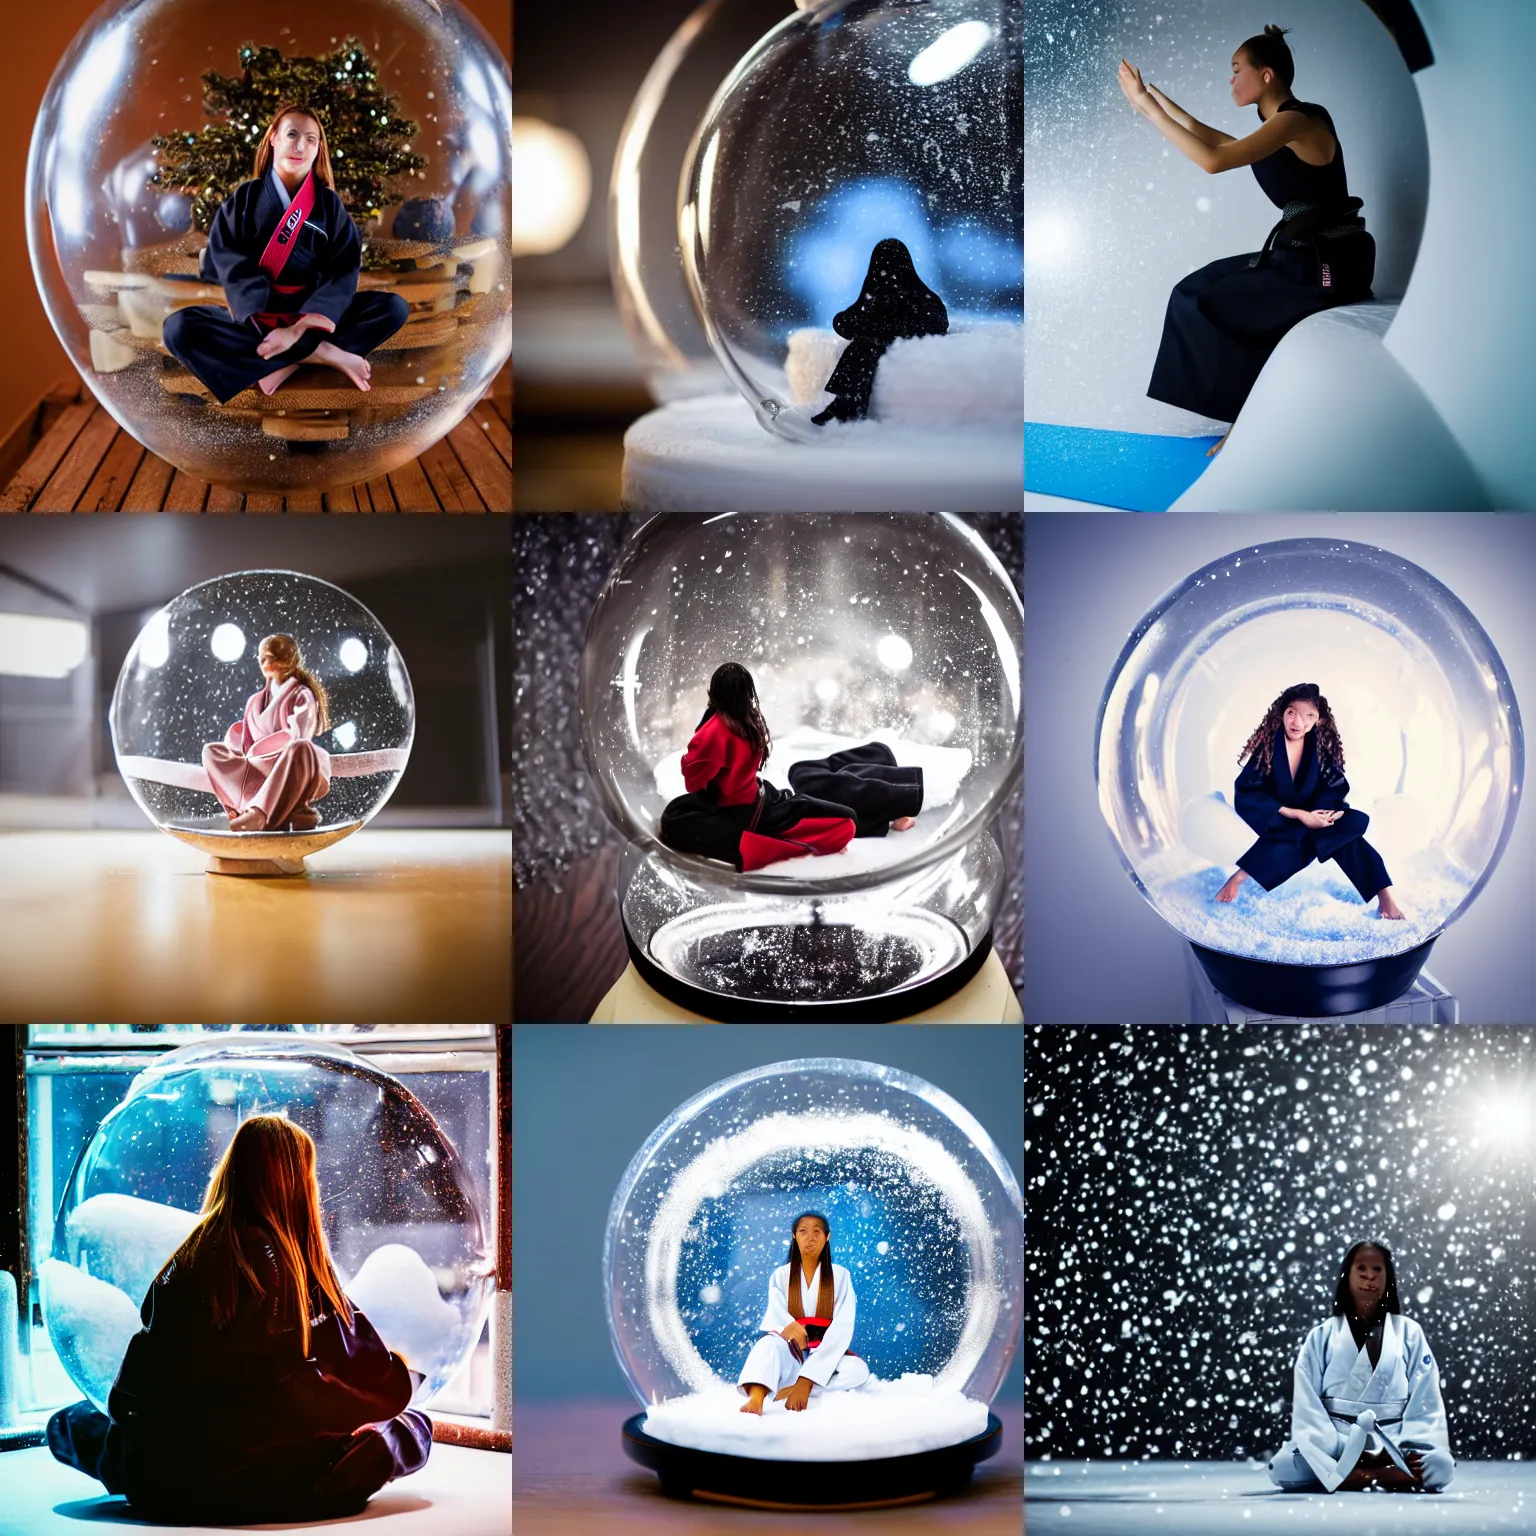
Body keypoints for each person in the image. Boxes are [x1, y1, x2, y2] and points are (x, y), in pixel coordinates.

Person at [46, 1115, 432, 1524]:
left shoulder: (184, 1264)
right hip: (287, 1485)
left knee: (70, 1422)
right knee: (412, 1427)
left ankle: (129, 1459)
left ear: (232, 1173)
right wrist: (397, 1378)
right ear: (300, 1186)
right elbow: (369, 1381)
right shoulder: (307, 1277)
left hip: (168, 1484)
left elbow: (131, 1396)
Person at [1117, 26, 1376, 450]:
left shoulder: (1298, 120)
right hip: (1296, 254)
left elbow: (1214, 160)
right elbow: (1213, 136)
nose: (1231, 80)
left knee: (1214, 306)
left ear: (1267, 74)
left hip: (1328, 264)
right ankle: (1241, 408)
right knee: (1192, 292)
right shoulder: (1276, 126)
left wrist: (1147, 107)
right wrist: (1151, 101)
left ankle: (1247, 419)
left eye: (1237, 70)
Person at [163, 103, 410, 405]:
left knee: (392, 307)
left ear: (319, 148)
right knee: (179, 328)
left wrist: (299, 328)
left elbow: (342, 270)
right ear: (273, 139)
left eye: (311, 139)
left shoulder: (328, 206)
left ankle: (280, 360)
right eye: (292, 134)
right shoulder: (245, 199)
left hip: (309, 317)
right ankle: (322, 354)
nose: (300, 146)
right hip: (258, 316)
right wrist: (277, 325)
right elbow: (229, 261)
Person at [657, 662, 924, 872]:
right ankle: (897, 786)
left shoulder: (717, 730)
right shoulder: (748, 720)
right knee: (812, 780)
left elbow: (694, 781)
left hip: (765, 798)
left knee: (811, 781)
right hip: (768, 796)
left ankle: (901, 792)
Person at [1268, 1240, 1454, 1493]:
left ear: (1388, 1277)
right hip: (1336, 1442)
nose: (1369, 1276)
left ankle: (1349, 1477)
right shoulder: (1321, 1335)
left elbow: (1425, 1398)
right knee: (1283, 1466)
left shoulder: (1409, 1332)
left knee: (1441, 1466)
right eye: (1361, 1268)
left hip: (1392, 1443)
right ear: (1347, 1275)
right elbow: (1308, 1403)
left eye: (1378, 1270)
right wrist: (1340, 1448)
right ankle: (1379, 1476)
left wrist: (1406, 1446)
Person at [1215, 683, 1405, 920]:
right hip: (1280, 820)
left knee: (1346, 832)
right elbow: (1247, 792)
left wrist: (1323, 814)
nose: (1298, 722)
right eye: (1292, 712)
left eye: (1309, 716)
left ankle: (1385, 896)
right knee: (1294, 838)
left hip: (1315, 815)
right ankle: (1239, 877)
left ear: (1319, 720)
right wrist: (1297, 814)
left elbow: (1333, 785)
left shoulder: (1319, 748)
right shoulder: (1269, 749)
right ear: (1282, 712)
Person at [739, 1212, 871, 1415]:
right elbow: (776, 1312)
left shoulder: (841, 1275)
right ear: (794, 1236)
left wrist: (806, 1380)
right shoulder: (781, 1275)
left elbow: (843, 1325)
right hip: (794, 1349)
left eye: (817, 1232)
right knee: (766, 1344)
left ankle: (801, 1387)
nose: (810, 1238)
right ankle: (756, 1397)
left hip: (824, 1350)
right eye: (803, 1231)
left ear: (827, 1237)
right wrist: (789, 1326)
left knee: (857, 1370)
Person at [201, 633, 331, 833]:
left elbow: (297, 734)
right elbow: (246, 741)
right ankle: (241, 807)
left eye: (269, 656)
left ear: (285, 659)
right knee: (211, 751)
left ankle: (261, 813)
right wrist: (239, 748)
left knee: (301, 748)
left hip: (288, 766)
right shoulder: (255, 700)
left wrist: (262, 751)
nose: (263, 662)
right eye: (261, 657)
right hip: (256, 766)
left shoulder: (301, 695)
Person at [812, 238, 949, 426]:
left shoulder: (919, 295)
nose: (885, 269)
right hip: (876, 343)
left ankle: (849, 407)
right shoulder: (876, 294)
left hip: (902, 347)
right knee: (860, 347)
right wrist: (858, 324)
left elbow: (935, 323)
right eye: (881, 262)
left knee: (862, 348)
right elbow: (846, 320)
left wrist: (887, 330)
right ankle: (845, 405)